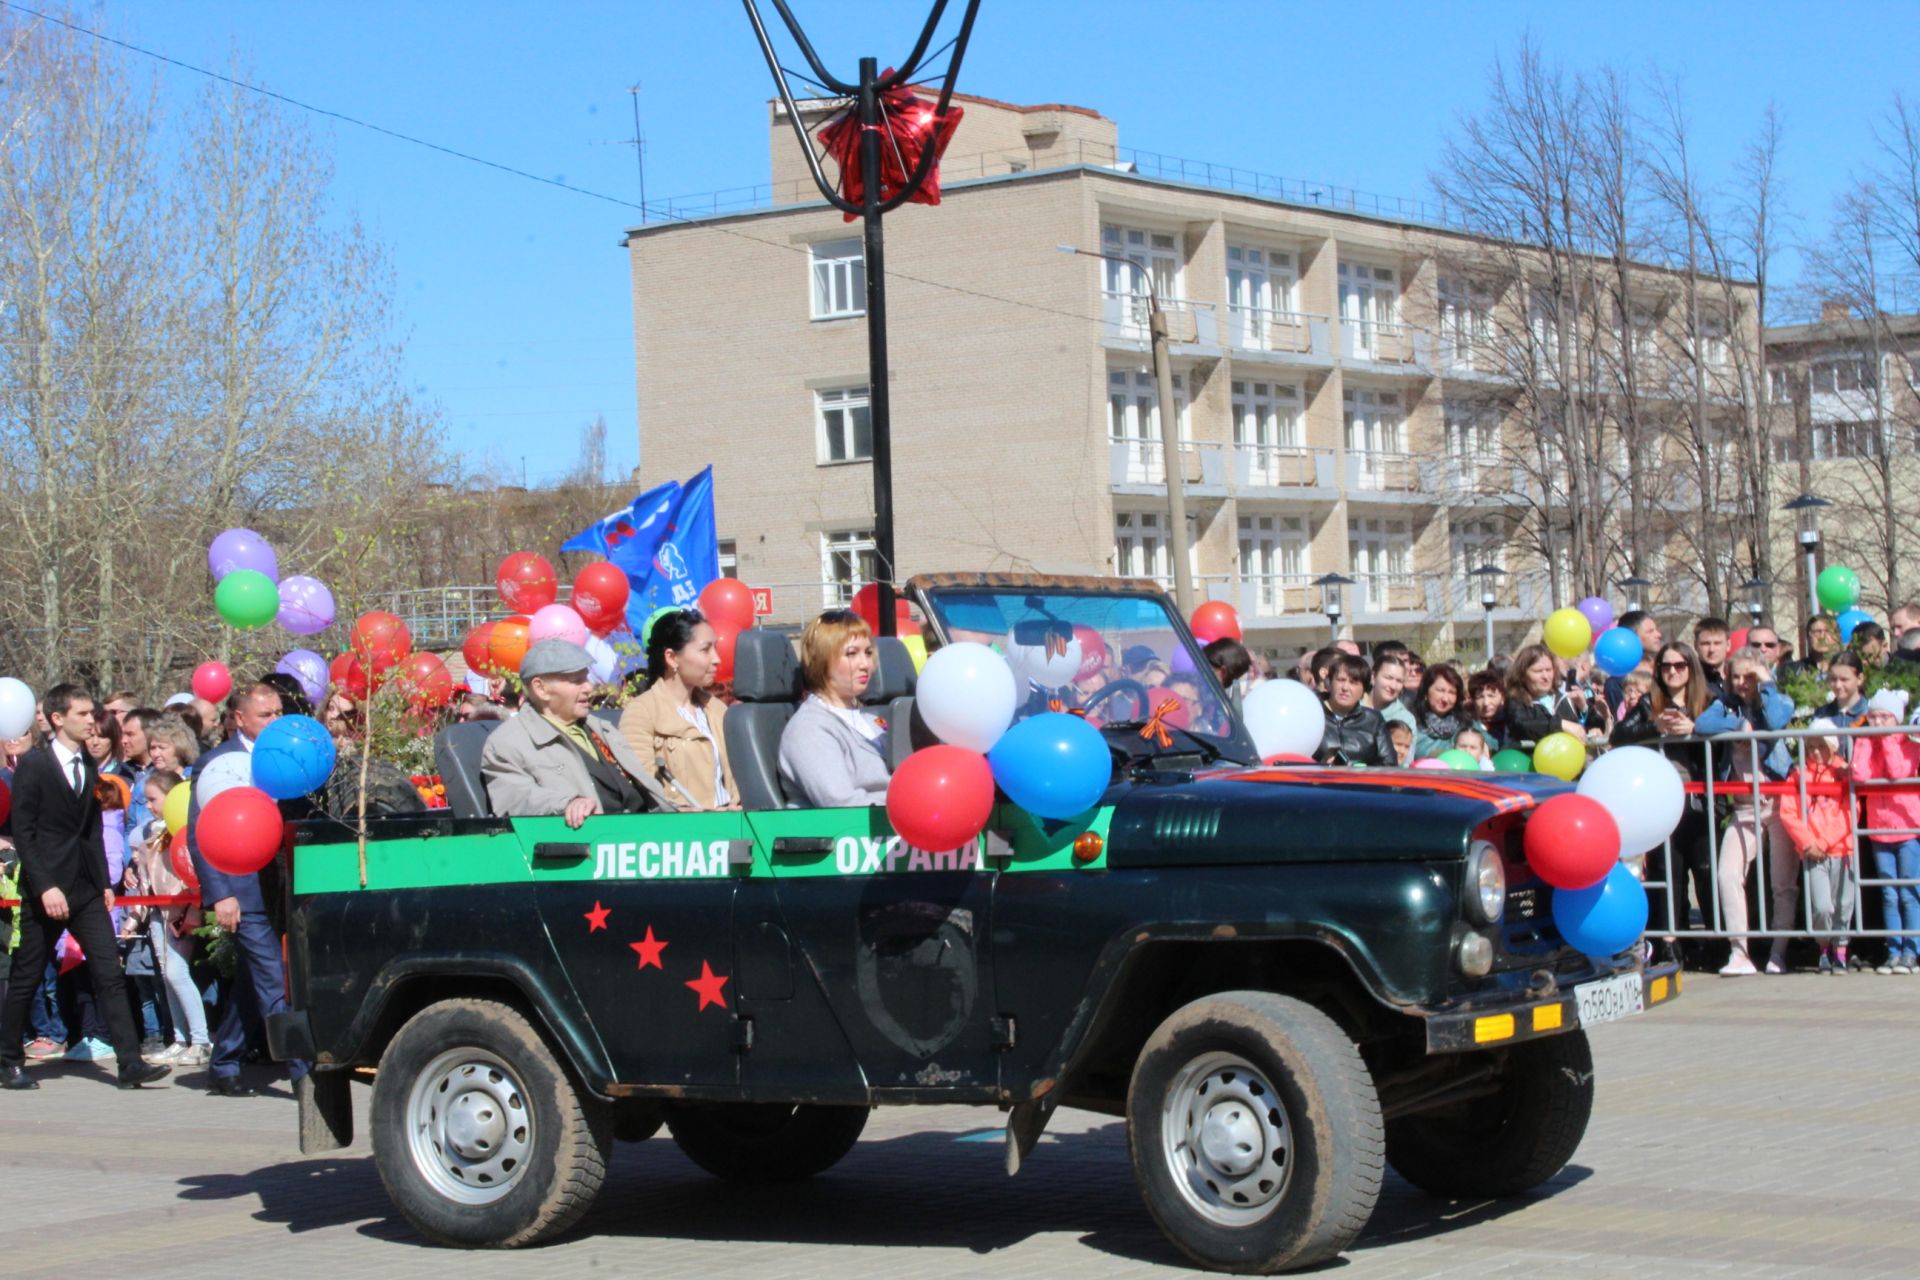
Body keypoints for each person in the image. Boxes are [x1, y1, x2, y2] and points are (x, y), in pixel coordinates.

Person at [0, 684, 170, 1091]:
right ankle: (7, 1060)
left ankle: (130, 1063)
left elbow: (90, 832)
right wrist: (44, 887)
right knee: (26, 975)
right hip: (47, 891)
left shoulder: (90, 769)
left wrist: (103, 883)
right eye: (81, 714)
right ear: (58, 719)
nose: (91, 721)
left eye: (92, 714)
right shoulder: (34, 766)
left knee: (109, 970)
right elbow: (24, 832)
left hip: (86, 890)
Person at [185, 682, 304, 1097]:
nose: (275, 721)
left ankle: (225, 1062)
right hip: (242, 890)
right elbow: (201, 835)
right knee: (274, 976)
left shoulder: (287, 755)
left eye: (278, 712)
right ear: (239, 718)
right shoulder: (217, 765)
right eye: (265, 715)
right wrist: (221, 894)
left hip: (280, 886)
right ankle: (302, 1072)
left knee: (254, 979)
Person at [483, 639, 663, 826]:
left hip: (641, 839)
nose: (589, 687)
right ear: (541, 688)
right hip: (583, 844)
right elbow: (516, 798)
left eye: (586, 678)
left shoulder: (603, 729)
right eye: (577, 681)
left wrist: (676, 813)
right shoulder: (507, 743)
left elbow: (644, 790)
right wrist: (568, 804)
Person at [1610, 642, 1716, 960]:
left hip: (1699, 799)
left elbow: (1731, 727)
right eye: (1666, 666)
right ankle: (1670, 944)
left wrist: (1696, 728)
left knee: (1706, 870)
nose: (1672, 672)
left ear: (1691, 668)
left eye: (1679, 666)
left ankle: (1718, 943)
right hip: (1660, 801)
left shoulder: (1708, 699)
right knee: (1668, 872)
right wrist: (1653, 726)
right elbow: (1619, 734)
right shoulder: (1649, 701)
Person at [1701, 648, 1797, 976]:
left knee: (1781, 883)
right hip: (1743, 808)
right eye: (1737, 676)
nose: (1742, 683)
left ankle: (1779, 953)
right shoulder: (1725, 704)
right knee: (1727, 874)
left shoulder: (1775, 698)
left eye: (1749, 676)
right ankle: (1739, 952)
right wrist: (1738, 724)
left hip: (1779, 803)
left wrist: (1766, 684)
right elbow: (1703, 723)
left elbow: (1777, 719)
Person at [619, 609, 739, 812]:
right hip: (684, 836)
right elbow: (645, 788)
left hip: (733, 828)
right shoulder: (641, 713)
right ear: (672, 657)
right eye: (705, 650)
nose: (717, 659)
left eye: (715, 649)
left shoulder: (717, 709)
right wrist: (691, 812)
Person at [779, 609, 892, 808]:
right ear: (822, 661)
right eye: (851, 654)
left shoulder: (873, 720)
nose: (866, 664)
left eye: (868, 652)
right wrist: (911, 804)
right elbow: (839, 803)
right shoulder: (808, 729)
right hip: (851, 832)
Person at [138, 773, 210, 1062]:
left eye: (153, 799)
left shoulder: (184, 832)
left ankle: (201, 1041)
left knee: (176, 973)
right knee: (166, 976)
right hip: (159, 910)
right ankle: (180, 1038)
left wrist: (191, 907)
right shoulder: (153, 835)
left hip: (182, 911)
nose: (148, 806)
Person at [1776, 720, 1855, 974]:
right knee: (1822, 906)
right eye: (1810, 746)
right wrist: (1808, 842)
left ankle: (1840, 951)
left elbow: (1850, 813)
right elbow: (1788, 812)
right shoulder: (1797, 774)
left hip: (1842, 850)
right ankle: (1823, 948)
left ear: (1832, 746)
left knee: (1844, 905)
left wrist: (1823, 841)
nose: (1815, 752)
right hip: (1813, 852)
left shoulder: (1844, 772)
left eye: (1821, 746)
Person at [1852, 689, 1920, 973]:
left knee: (1909, 891)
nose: (1878, 722)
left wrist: (1890, 740)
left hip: (1907, 828)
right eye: (1874, 716)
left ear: (1897, 718)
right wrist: (1867, 742)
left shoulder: (1910, 743)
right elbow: (1860, 775)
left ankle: (1912, 950)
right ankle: (1893, 950)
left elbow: (1896, 771)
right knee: (1888, 894)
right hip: (1879, 830)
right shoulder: (1868, 742)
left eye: (1885, 716)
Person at [1314, 653, 1397, 767]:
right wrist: (1319, 766)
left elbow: (1389, 764)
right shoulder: (1312, 713)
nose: (1345, 688)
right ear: (1329, 682)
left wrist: (1358, 769)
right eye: (1340, 680)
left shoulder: (1373, 719)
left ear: (1364, 689)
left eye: (1353, 682)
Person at [1503, 645, 1587, 749]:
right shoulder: (1515, 701)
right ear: (1523, 675)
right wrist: (1560, 725)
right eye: (1538, 671)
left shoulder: (1564, 696)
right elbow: (1522, 725)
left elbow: (1585, 727)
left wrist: (1583, 708)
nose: (1545, 677)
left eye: (1548, 670)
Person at [1814, 651, 1869, 760]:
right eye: (1833, 679)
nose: (1838, 685)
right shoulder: (1822, 714)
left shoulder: (1871, 712)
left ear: (1860, 679)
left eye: (1844, 679)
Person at [1604, 610, 1663, 708]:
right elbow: (1620, 719)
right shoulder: (1617, 683)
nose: (1659, 635)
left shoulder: (1665, 670)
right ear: (1631, 637)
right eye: (1650, 631)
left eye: (1656, 629)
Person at [1410, 664, 1470, 760]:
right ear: (1426, 691)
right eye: (1440, 690)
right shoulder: (1411, 723)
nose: (1445, 698)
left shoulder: (1465, 725)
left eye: (1451, 692)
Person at [1368, 656, 1416, 732]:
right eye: (1388, 678)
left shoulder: (1405, 720)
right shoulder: (1352, 705)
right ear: (1373, 677)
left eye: (1399, 681)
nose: (1393, 686)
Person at [1467, 670, 1508, 750]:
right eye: (1480, 697)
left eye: (1491, 696)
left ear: (1502, 697)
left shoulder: (1511, 724)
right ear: (1473, 700)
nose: (1486, 703)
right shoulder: (1467, 726)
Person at [1693, 616, 1731, 700]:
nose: (1711, 649)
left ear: (1728, 645)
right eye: (1705, 644)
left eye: (1717, 643)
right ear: (1695, 645)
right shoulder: (1691, 679)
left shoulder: (1738, 677)